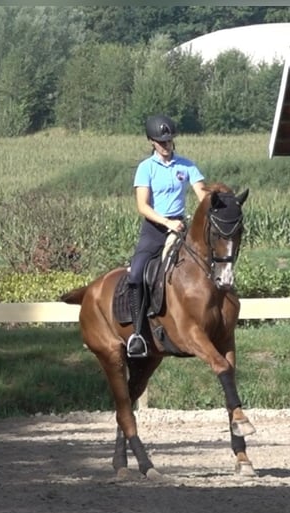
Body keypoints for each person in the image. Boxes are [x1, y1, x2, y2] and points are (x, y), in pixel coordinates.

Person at [126, 113, 208, 358]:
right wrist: (166, 222)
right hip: (154, 230)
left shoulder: (186, 165)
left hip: (181, 228)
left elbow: (203, 195)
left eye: (169, 140)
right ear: (152, 141)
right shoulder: (146, 168)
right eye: (161, 141)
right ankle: (138, 335)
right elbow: (143, 206)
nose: (166, 145)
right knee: (136, 274)